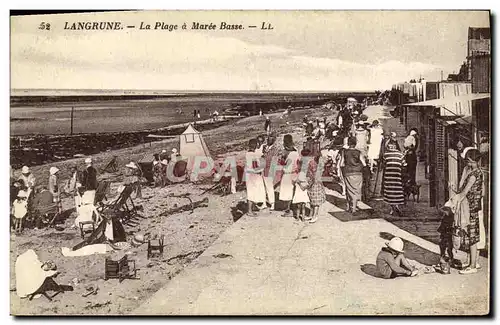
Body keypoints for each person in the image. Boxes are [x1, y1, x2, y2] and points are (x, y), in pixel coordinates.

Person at [453, 148, 484, 275]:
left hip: (470, 208)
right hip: (473, 207)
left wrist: (452, 201)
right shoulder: (478, 172)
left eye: (470, 162)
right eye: (468, 161)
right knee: (472, 236)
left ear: (476, 161)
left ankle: (472, 266)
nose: (468, 164)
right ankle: (473, 262)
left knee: (472, 237)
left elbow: (464, 192)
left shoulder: (473, 175)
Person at [340, 137, 366, 214]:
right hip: (358, 172)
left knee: (349, 190)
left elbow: (341, 163)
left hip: (348, 172)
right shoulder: (359, 152)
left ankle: (349, 207)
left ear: (348, 143)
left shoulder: (344, 152)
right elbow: (364, 164)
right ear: (355, 143)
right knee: (356, 190)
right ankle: (354, 208)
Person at [382, 143, 406, 216]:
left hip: (388, 176)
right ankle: (396, 206)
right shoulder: (401, 155)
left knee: (390, 192)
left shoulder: (386, 155)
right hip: (397, 175)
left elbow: (384, 165)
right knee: (397, 191)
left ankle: (393, 208)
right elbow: (404, 165)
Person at [279, 134, 300, 217]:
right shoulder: (295, 150)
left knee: (287, 192)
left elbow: (283, 163)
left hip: (288, 173)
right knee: (293, 191)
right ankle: (292, 209)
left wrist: (281, 160)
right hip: (295, 172)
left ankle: (289, 211)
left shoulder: (286, 152)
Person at [245, 138, 266, 216]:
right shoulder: (252, 155)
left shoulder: (248, 153)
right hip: (252, 175)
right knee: (251, 192)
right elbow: (255, 167)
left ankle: (252, 208)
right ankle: (249, 210)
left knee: (251, 191)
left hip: (249, 174)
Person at [262, 132, 282, 210]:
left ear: (273, 139)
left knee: (269, 187)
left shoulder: (275, 149)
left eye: (270, 138)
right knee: (264, 186)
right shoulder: (265, 147)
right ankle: (264, 202)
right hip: (264, 168)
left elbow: (274, 160)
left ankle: (272, 203)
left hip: (270, 169)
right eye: (268, 138)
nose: (268, 139)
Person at [306, 153, 326, 223]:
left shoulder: (314, 164)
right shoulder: (319, 164)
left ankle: (315, 216)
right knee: (312, 200)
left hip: (314, 183)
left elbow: (313, 175)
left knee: (315, 201)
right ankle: (311, 215)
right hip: (315, 183)